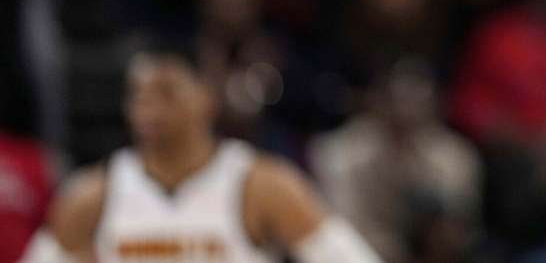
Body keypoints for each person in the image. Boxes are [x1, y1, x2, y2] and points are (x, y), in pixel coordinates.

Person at [18, 41, 383, 263]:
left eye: (166, 92)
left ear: (206, 97)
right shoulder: (93, 194)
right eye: (139, 94)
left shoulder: (261, 186)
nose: (149, 108)